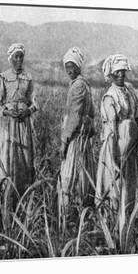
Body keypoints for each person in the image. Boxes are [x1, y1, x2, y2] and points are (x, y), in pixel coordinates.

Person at [95, 54, 138, 215]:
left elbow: (136, 115)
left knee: (130, 183)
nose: (121, 75)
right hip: (116, 146)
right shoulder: (110, 97)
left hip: (131, 145)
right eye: (117, 72)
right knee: (115, 184)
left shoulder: (129, 90)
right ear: (111, 74)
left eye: (123, 71)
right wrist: (114, 159)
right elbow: (111, 131)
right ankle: (112, 220)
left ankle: (130, 216)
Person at [0, 43, 37, 201]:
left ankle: (22, 194)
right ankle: (5, 193)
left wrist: (27, 111)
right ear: (10, 59)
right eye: (15, 57)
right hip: (8, 125)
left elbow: (35, 102)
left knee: (23, 157)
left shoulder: (28, 78)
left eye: (21, 57)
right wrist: (6, 111)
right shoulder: (4, 78)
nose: (19, 60)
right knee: (7, 155)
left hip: (23, 124)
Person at [58, 47, 96, 208]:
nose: (69, 70)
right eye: (67, 67)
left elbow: (75, 116)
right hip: (82, 137)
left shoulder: (79, 86)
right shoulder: (82, 84)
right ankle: (80, 211)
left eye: (72, 66)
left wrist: (64, 141)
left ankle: (69, 216)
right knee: (82, 174)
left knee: (70, 176)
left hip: (76, 138)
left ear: (79, 67)